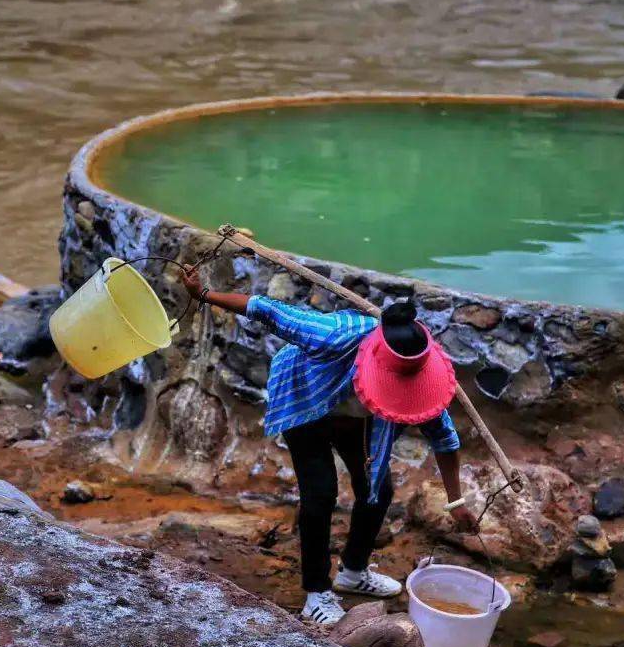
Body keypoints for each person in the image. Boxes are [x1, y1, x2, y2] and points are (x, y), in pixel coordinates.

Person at [180, 266, 478, 626]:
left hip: (359, 419)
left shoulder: (423, 378)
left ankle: (353, 571)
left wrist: (456, 502)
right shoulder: (333, 335)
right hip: (306, 401)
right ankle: (316, 592)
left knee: (377, 490)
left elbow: (445, 439)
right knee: (321, 493)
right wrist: (203, 295)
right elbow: (266, 309)